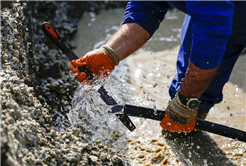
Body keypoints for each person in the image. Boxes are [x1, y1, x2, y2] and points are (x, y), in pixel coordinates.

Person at [70, 0, 246, 134]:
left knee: (187, 99)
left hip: (216, 15)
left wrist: (187, 99)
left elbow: (212, 32)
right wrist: (109, 54)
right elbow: (145, 9)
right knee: (192, 103)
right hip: (215, 13)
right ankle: (187, 129)